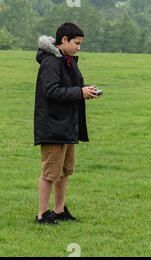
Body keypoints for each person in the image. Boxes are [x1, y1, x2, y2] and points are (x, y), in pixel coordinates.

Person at [34, 22, 100, 225]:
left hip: (67, 125)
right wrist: (79, 92)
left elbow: (73, 87)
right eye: (76, 43)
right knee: (50, 172)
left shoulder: (68, 61)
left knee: (64, 171)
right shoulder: (51, 63)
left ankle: (59, 210)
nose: (79, 47)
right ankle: (42, 214)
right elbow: (51, 91)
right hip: (53, 125)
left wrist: (86, 89)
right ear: (64, 40)